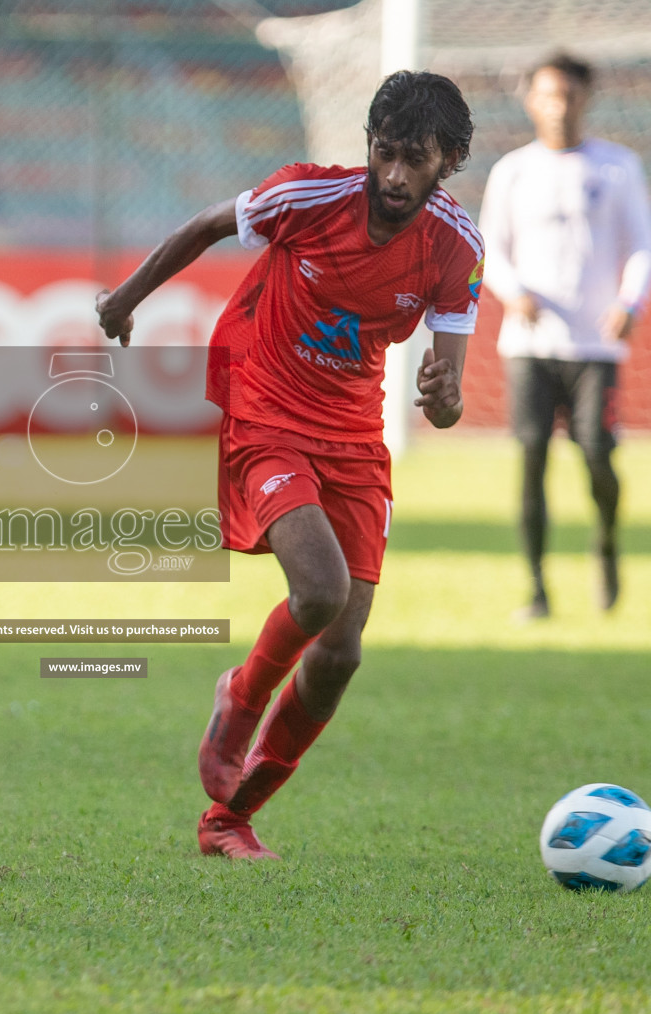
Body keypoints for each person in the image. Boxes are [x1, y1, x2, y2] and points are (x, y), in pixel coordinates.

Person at [97, 71, 483, 859]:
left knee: (341, 652)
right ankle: (239, 698)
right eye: (385, 154)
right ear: (369, 149)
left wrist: (444, 397)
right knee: (320, 589)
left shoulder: (458, 247)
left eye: (416, 160)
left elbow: (447, 399)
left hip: (352, 434)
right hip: (264, 405)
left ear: (452, 160)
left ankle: (229, 819)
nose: (396, 176)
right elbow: (208, 225)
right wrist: (123, 300)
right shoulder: (306, 198)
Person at [478, 53, 651, 619]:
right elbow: (490, 248)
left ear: (587, 98)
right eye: (549, 95)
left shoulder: (618, 167)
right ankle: (537, 589)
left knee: (598, 456)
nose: (559, 106)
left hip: (595, 346)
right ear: (531, 100)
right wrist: (513, 293)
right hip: (530, 345)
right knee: (532, 458)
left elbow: (644, 244)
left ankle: (605, 540)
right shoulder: (513, 170)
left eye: (570, 95)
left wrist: (631, 302)